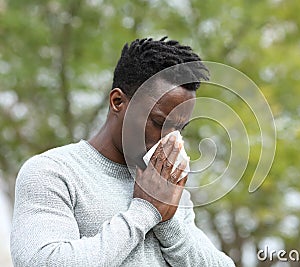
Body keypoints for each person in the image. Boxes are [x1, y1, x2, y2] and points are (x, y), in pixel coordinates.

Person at [10, 37, 235, 266]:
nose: (169, 140)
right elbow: (41, 262)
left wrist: (168, 223)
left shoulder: (165, 183)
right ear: (118, 101)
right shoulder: (52, 173)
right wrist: (144, 212)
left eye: (178, 128)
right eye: (159, 122)